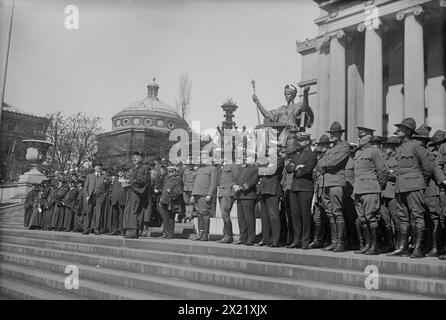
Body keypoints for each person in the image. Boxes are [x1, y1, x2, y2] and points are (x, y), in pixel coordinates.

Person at [387, 118, 434, 258]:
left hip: (414, 185)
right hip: (400, 186)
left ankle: (418, 249)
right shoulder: (400, 148)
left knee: (417, 215)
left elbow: (427, 168)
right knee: (402, 217)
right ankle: (403, 247)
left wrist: (419, 182)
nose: (398, 130)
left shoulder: (416, 146)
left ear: (408, 131)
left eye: (401, 128)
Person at [411, 127, 446, 257]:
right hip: (424, 189)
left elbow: (430, 170)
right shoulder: (423, 153)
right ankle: (428, 245)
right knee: (426, 218)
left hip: (432, 189)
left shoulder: (429, 154)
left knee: (435, 218)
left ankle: (436, 246)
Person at [353, 128, 387, 255]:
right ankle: (367, 245)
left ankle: (375, 246)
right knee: (362, 219)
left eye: (361, 136)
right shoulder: (357, 153)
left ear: (369, 137)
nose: (359, 138)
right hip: (359, 189)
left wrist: (378, 186)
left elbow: (382, 172)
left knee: (371, 217)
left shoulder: (375, 151)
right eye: (359, 136)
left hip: (370, 189)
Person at [320, 121, 350, 252]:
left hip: (337, 182)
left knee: (337, 212)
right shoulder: (330, 149)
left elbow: (335, 162)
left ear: (340, 134)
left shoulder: (344, 147)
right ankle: (333, 242)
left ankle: (340, 243)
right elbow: (319, 163)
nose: (332, 136)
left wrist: (325, 165)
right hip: (326, 182)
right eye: (331, 133)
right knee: (330, 213)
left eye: (334, 133)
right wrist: (326, 164)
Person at [285, 133, 317, 249]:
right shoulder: (294, 155)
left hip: (305, 188)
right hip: (295, 188)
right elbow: (288, 168)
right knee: (295, 215)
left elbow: (308, 169)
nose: (299, 142)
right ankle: (296, 240)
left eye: (302, 140)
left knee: (305, 215)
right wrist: (296, 167)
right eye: (299, 140)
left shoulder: (312, 155)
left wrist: (297, 170)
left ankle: (305, 241)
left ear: (308, 141)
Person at [257, 149, 284, 248]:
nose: (268, 151)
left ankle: (275, 240)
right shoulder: (267, 161)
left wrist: (264, 168)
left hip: (272, 189)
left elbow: (270, 171)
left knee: (274, 216)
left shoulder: (279, 159)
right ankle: (265, 238)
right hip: (264, 190)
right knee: (264, 217)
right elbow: (258, 171)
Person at [309, 134, 331, 248]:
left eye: (324, 145)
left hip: (326, 191)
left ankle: (328, 240)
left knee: (328, 217)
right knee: (317, 217)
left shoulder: (330, 158)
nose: (322, 147)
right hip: (317, 192)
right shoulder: (318, 161)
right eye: (321, 145)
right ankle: (317, 240)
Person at [380, 136, 401, 253]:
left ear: (394, 147)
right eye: (385, 145)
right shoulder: (384, 159)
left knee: (396, 219)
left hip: (393, 192)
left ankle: (399, 245)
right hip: (383, 192)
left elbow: (397, 174)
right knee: (385, 220)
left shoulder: (398, 158)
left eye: (388, 145)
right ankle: (389, 243)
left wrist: (388, 174)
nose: (386, 147)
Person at [122, 151, 150, 238]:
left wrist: (130, 182)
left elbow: (142, 181)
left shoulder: (143, 168)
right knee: (129, 211)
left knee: (134, 210)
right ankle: (128, 229)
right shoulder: (133, 168)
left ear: (141, 158)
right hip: (130, 192)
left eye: (137, 157)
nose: (134, 158)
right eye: (134, 157)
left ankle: (134, 231)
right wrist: (125, 181)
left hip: (137, 193)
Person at [233, 152, 259, 246]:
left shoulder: (255, 168)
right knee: (241, 219)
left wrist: (242, 187)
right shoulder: (242, 168)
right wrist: (235, 186)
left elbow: (253, 180)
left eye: (247, 157)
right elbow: (237, 179)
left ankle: (251, 238)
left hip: (249, 195)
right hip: (240, 196)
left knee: (249, 218)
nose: (245, 159)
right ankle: (242, 237)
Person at [190, 158, 218, 241]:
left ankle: (205, 235)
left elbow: (213, 182)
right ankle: (200, 234)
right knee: (199, 214)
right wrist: (192, 194)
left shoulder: (212, 168)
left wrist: (209, 194)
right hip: (196, 194)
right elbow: (195, 182)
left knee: (205, 214)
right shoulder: (199, 169)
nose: (201, 160)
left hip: (204, 194)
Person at [216, 156, 239, 244]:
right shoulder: (221, 166)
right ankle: (227, 234)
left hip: (228, 192)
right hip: (222, 192)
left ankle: (229, 236)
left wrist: (233, 186)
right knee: (224, 214)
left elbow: (236, 178)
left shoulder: (233, 165)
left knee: (225, 213)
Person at [431, 130, 446, 259]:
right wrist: (443, 179)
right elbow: (437, 166)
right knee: (443, 218)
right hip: (445, 187)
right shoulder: (443, 147)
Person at [83, 161, 109, 235]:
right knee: (89, 213)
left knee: (99, 213)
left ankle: (96, 229)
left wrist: (104, 195)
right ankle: (87, 229)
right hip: (91, 196)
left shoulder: (104, 176)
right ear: (94, 168)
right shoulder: (89, 176)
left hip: (100, 196)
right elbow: (85, 187)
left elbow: (107, 187)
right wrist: (87, 196)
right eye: (97, 166)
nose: (99, 167)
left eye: (100, 166)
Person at [158, 166, 183, 239]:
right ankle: (166, 233)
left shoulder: (177, 179)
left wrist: (171, 192)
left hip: (171, 202)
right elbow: (164, 190)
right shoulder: (168, 179)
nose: (170, 173)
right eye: (169, 172)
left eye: (171, 172)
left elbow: (179, 191)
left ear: (175, 172)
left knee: (170, 219)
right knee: (165, 218)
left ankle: (170, 234)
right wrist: (161, 200)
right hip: (164, 201)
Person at [108, 166, 126, 235]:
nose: (120, 173)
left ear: (124, 172)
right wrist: (112, 197)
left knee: (121, 215)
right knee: (115, 215)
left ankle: (121, 229)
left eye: (122, 172)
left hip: (122, 199)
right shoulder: (115, 178)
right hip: (115, 199)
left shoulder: (125, 179)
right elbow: (112, 188)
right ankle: (115, 229)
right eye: (119, 172)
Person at [182, 159, 198, 223]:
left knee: (191, 202)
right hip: (186, 188)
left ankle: (190, 214)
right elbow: (183, 179)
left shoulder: (195, 172)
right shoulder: (185, 171)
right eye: (189, 165)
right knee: (186, 202)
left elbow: (196, 180)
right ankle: (187, 214)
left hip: (192, 188)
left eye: (191, 165)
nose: (190, 166)